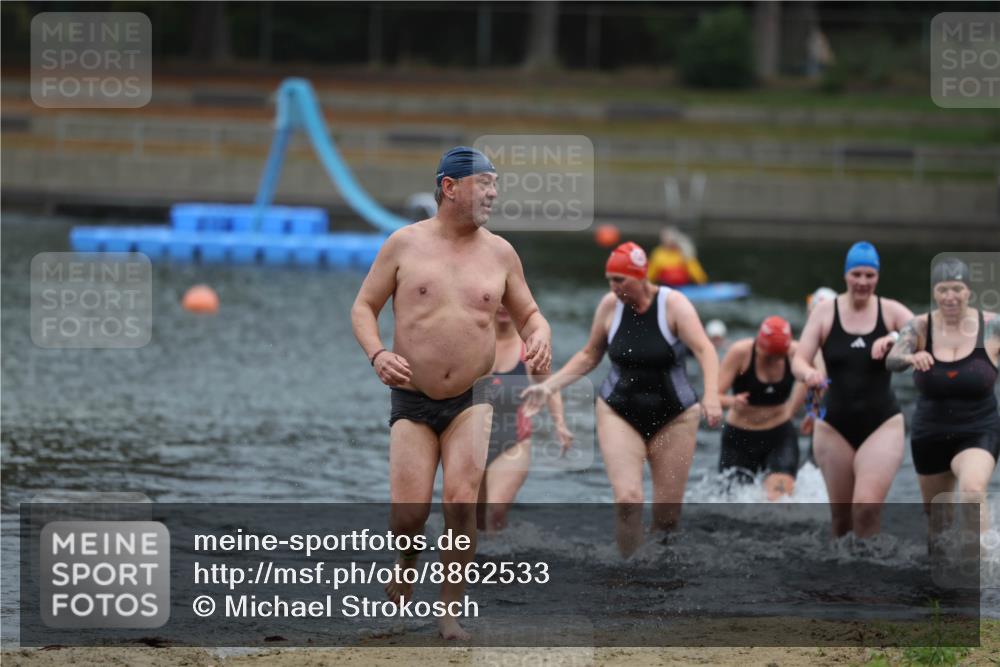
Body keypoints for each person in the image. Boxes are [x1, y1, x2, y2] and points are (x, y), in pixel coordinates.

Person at [351, 146, 552, 640]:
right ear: (450, 187)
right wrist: (377, 354)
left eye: (496, 183)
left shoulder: (501, 253)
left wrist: (540, 335)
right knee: (409, 515)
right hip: (412, 398)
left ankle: (449, 611)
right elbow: (363, 307)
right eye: (485, 183)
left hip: (472, 399)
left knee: (461, 504)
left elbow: (529, 313)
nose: (494, 193)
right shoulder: (403, 244)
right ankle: (406, 560)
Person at [523, 241, 721, 555]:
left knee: (667, 516)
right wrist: (550, 386)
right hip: (619, 412)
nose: (613, 287)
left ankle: (661, 567)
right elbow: (589, 355)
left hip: (675, 417)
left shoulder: (673, 304)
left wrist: (711, 395)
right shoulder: (609, 306)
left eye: (620, 280)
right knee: (628, 500)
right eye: (610, 280)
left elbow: (704, 349)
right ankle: (627, 569)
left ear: (640, 276)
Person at [792, 241, 914, 538]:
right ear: (845, 275)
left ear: (878, 277)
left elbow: (925, 334)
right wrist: (809, 374)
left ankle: (869, 567)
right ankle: (841, 568)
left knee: (866, 507)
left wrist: (894, 338)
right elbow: (798, 360)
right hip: (833, 425)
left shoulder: (891, 311)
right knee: (842, 519)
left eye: (870, 275)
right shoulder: (825, 313)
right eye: (856, 274)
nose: (862, 281)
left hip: (882, 424)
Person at [887, 258, 999, 528]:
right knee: (939, 523)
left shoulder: (992, 326)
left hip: (979, 428)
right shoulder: (919, 327)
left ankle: (982, 553)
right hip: (930, 432)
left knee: (972, 491)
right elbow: (892, 359)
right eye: (943, 289)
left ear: (969, 291)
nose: (950, 296)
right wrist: (910, 358)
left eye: (957, 289)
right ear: (934, 293)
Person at [478, 307, 573, 533]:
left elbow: (549, 387)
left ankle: (499, 554)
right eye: (499, 301)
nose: (503, 307)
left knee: (496, 510)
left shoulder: (530, 349)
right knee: (473, 519)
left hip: (514, 441)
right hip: (472, 443)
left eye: (508, 302)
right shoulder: (473, 343)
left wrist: (560, 424)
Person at [718, 316, 808, 500]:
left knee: (780, 499)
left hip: (779, 436)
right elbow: (713, 396)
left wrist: (795, 409)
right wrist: (732, 401)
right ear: (759, 345)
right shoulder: (740, 352)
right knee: (735, 504)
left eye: (778, 357)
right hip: (739, 437)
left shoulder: (796, 353)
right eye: (769, 356)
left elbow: (815, 376)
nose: (773, 361)